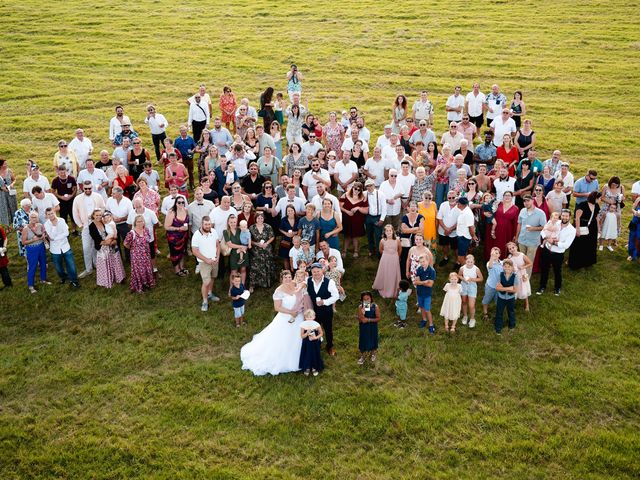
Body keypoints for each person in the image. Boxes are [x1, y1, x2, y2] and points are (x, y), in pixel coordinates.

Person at [241, 270, 305, 375]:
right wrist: (291, 312)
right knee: (283, 339)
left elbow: (301, 289)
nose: (288, 279)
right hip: (285, 317)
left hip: (298, 317)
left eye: (289, 277)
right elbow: (277, 307)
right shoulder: (279, 291)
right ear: (281, 279)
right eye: (285, 278)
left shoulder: (294, 285)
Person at [538, 209, 576, 296]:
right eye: (563, 215)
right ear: (560, 215)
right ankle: (542, 286)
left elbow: (566, 245)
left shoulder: (572, 230)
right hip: (547, 250)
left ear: (570, 217)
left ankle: (557, 288)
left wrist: (554, 243)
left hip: (558, 254)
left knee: (557, 271)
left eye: (566, 216)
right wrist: (547, 239)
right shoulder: (554, 221)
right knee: (544, 269)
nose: (564, 217)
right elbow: (543, 231)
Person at [73, 181, 105, 278]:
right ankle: (88, 269)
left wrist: (99, 217)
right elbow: (75, 212)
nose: (87, 190)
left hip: (97, 225)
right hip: (86, 226)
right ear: (83, 188)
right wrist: (80, 225)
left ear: (92, 188)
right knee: (86, 248)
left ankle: (96, 263)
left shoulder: (98, 196)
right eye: (85, 188)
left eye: (89, 188)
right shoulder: (77, 199)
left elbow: (103, 208)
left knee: (96, 245)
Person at [307, 262, 340, 356]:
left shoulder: (329, 282)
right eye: (314, 272)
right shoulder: (308, 281)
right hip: (313, 311)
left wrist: (324, 302)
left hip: (326, 311)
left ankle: (330, 346)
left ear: (322, 271)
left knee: (328, 329)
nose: (316, 273)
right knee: (313, 328)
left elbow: (336, 296)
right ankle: (316, 344)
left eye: (318, 271)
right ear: (311, 272)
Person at [89, 209, 126, 288]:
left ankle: (119, 277)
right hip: (102, 245)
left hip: (112, 243)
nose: (99, 217)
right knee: (105, 261)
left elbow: (113, 230)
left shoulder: (104, 221)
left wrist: (114, 240)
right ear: (93, 216)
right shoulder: (91, 226)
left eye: (100, 215)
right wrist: (108, 242)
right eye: (96, 215)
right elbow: (97, 239)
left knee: (116, 260)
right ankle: (108, 279)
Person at [192, 216, 221, 311]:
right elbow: (194, 251)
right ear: (202, 224)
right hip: (204, 262)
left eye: (209, 224)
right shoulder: (196, 235)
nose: (208, 226)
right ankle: (205, 301)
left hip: (214, 260)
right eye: (206, 224)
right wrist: (206, 260)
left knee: (213, 277)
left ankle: (210, 293)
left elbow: (218, 245)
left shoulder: (214, 231)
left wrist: (217, 256)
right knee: (206, 282)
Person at [515, 194, 546, 275]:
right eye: (524, 201)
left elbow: (544, 227)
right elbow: (519, 224)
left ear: (533, 201)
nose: (526, 203)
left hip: (533, 242)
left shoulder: (540, 213)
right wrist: (517, 237)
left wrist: (533, 228)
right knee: (521, 260)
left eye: (528, 200)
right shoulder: (522, 211)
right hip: (522, 240)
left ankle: (526, 281)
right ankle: (520, 277)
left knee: (529, 262)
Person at [124, 215, 155, 293]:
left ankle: (147, 283)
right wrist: (133, 249)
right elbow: (125, 244)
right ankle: (139, 286)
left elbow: (148, 240)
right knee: (138, 270)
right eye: (138, 221)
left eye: (142, 221)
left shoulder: (146, 230)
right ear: (135, 223)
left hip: (146, 253)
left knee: (146, 268)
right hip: (136, 256)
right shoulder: (132, 233)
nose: (140, 223)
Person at [568, 192, 599, 270]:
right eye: (599, 198)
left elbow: (597, 218)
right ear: (595, 198)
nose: (601, 200)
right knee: (580, 244)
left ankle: (588, 262)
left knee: (590, 244)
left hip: (592, 227)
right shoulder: (582, 204)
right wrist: (577, 229)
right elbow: (577, 218)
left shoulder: (597, 206)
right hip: (582, 225)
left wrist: (599, 228)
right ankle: (577, 263)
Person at [127, 198, 159, 272]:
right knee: (139, 256)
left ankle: (154, 270)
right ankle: (142, 271)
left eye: (139, 206)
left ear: (143, 203)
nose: (138, 208)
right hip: (136, 240)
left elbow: (156, 224)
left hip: (149, 238)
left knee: (152, 254)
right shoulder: (131, 213)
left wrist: (148, 231)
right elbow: (129, 224)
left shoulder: (150, 212)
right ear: (133, 205)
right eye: (136, 206)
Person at [485, 191, 519, 260]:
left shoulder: (515, 208)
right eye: (505, 195)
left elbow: (515, 222)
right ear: (503, 197)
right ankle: (491, 260)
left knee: (503, 245)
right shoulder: (497, 204)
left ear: (512, 197)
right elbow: (487, 209)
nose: (507, 197)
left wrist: (515, 234)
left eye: (509, 195)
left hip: (506, 230)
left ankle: (501, 260)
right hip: (494, 228)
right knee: (492, 244)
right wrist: (484, 213)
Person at [22, 211, 50, 293]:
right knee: (32, 267)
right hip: (32, 249)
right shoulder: (25, 229)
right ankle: (31, 286)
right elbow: (23, 242)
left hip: (41, 247)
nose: (34, 219)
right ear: (29, 218)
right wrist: (33, 240)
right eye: (32, 217)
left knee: (43, 264)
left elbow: (43, 235)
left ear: (37, 218)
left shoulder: (40, 225)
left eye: (35, 217)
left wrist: (43, 236)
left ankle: (43, 280)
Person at [372, 224, 401, 298]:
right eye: (387, 231)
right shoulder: (382, 240)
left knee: (393, 272)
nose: (388, 232)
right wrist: (386, 254)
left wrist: (396, 256)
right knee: (386, 272)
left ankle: (394, 288)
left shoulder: (397, 240)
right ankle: (384, 287)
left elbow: (400, 249)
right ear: (384, 232)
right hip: (385, 258)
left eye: (390, 231)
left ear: (393, 231)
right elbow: (380, 249)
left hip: (394, 258)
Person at [248, 211, 276, 289]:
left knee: (267, 264)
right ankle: (253, 284)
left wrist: (266, 243)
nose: (260, 219)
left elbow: (272, 237)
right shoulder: (251, 228)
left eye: (261, 218)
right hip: (256, 250)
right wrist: (256, 244)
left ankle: (267, 283)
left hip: (266, 249)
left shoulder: (268, 227)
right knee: (255, 267)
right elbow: (249, 240)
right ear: (255, 219)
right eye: (258, 218)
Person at [340, 182, 367, 257]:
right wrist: (347, 211)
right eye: (355, 189)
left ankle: (356, 251)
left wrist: (358, 208)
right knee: (347, 235)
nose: (357, 191)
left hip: (357, 220)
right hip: (347, 218)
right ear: (352, 188)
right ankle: (344, 251)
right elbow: (340, 206)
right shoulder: (346, 195)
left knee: (355, 236)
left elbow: (366, 210)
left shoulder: (363, 198)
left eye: (359, 190)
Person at [165, 196, 190, 277]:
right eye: (179, 202)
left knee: (182, 252)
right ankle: (177, 270)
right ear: (175, 203)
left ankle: (182, 267)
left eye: (183, 202)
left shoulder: (186, 210)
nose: (181, 204)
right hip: (174, 237)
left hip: (184, 236)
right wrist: (179, 228)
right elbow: (166, 226)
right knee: (175, 253)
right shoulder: (172, 212)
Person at [597, 176, 624, 247]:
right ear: (610, 183)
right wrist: (609, 201)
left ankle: (614, 239)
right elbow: (602, 198)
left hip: (616, 207)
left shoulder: (621, 187)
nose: (614, 186)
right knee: (602, 220)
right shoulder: (606, 187)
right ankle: (600, 236)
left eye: (616, 185)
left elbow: (624, 197)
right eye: (613, 185)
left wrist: (621, 199)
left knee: (615, 221)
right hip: (606, 206)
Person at [399, 201, 424, 279]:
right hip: (405, 242)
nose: (413, 208)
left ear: (417, 208)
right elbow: (403, 230)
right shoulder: (405, 217)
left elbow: (421, 230)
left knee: (415, 259)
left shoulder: (421, 217)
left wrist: (409, 229)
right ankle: (404, 276)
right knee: (404, 258)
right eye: (411, 206)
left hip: (416, 241)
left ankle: (415, 275)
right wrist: (416, 228)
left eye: (415, 206)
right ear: (408, 208)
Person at [436, 190, 461, 267]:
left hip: (455, 232)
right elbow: (439, 218)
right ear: (447, 198)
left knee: (456, 248)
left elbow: (460, 221)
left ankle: (458, 261)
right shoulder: (443, 205)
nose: (451, 199)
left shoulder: (460, 206)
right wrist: (445, 229)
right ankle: (445, 257)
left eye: (453, 197)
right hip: (443, 231)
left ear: (456, 197)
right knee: (444, 245)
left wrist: (450, 229)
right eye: (449, 197)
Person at [413, 254, 436, 332]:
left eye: (424, 261)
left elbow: (430, 284)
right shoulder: (419, 269)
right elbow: (416, 282)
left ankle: (431, 325)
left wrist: (420, 282)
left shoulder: (431, 271)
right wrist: (424, 282)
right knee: (421, 307)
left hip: (427, 294)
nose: (422, 263)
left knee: (427, 310)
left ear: (428, 261)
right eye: (421, 262)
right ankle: (424, 320)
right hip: (419, 293)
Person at [458, 254, 482, 328]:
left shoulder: (476, 269)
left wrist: (472, 279)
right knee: (464, 301)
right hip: (464, 286)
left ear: (474, 262)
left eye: (471, 262)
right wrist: (463, 279)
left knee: (471, 305)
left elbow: (481, 278)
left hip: (472, 287)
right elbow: (459, 275)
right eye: (468, 262)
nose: (469, 263)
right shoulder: (462, 268)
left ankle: (472, 319)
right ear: (465, 261)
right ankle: (465, 316)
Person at [495, 259, 518, 335]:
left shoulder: (515, 277)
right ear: (503, 267)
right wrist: (508, 288)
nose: (507, 268)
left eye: (509, 267)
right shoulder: (500, 275)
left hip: (510, 298)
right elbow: (497, 288)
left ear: (512, 267)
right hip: (501, 297)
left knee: (511, 311)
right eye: (505, 266)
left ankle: (512, 325)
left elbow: (515, 290)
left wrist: (503, 288)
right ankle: (498, 327)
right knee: (499, 312)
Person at [507, 242, 532, 311]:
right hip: (515, 276)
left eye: (513, 247)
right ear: (509, 251)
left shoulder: (522, 255)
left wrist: (523, 267)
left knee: (524, 289)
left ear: (516, 247)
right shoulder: (510, 258)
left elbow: (530, 263)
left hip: (522, 275)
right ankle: (513, 303)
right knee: (515, 290)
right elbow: (508, 266)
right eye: (510, 249)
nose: (512, 249)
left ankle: (527, 304)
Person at [224, 214, 248, 286]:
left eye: (234, 222)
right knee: (234, 271)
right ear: (228, 222)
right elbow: (229, 244)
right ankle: (232, 287)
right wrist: (240, 246)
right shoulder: (226, 232)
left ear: (236, 222)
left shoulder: (240, 229)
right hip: (234, 254)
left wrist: (245, 246)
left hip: (243, 252)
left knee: (243, 270)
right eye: (231, 222)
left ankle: (242, 286)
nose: (233, 224)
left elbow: (246, 239)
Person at [299, 309, 324, 376]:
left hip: (315, 342)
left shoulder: (316, 324)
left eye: (311, 317)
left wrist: (315, 337)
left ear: (314, 317)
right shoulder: (303, 325)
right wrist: (307, 332)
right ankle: (307, 367)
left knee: (314, 354)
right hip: (306, 343)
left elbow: (321, 333)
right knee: (307, 354)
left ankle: (314, 367)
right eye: (307, 317)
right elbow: (302, 336)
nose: (309, 318)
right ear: (305, 317)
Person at [357, 292, 380, 365]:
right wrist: (362, 314)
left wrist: (369, 320)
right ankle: (363, 356)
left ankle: (373, 354)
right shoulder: (361, 307)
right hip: (364, 327)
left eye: (368, 299)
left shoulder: (375, 306)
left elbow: (378, 318)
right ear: (362, 300)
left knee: (373, 338)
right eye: (364, 299)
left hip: (372, 326)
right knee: (363, 339)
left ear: (371, 299)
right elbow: (361, 319)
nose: (366, 301)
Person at [481, 247, 503, 321]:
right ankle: (485, 313)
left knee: (499, 301)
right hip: (490, 285)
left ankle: (498, 314)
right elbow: (490, 266)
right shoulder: (489, 263)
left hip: (499, 286)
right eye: (493, 253)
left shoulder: (502, 263)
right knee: (487, 299)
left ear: (499, 255)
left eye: (496, 253)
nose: (495, 255)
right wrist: (492, 257)